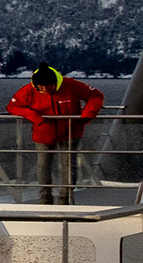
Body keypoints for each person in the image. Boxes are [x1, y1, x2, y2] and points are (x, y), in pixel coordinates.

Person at [8, 66, 108, 201]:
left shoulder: (70, 85)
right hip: (43, 133)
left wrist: (87, 115)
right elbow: (13, 106)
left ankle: (65, 196)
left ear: (55, 82)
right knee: (43, 165)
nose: (44, 89)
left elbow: (95, 95)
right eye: (40, 87)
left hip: (70, 132)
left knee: (68, 166)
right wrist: (34, 116)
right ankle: (45, 196)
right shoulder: (29, 90)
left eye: (48, 86)